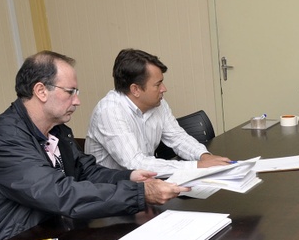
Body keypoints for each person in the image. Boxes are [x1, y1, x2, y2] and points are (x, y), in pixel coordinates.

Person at [0, 51, 188, 240]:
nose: (77, 101)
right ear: (41, 91)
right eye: (70, 92)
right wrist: (139, 194)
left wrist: (129, 177)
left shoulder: (57, 130)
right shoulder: (3, 139)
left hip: (48, 237)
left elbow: (85, 170)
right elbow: (59, 193)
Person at [86, 48, 232, 174]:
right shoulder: (109, 111)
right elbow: (136, 163)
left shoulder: (157, 103)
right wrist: (196, 166)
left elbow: (177, 138)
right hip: (111, 194)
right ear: (135, 89)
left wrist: (203, 156)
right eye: (158, 84)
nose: (164, 89)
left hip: (142, 185)